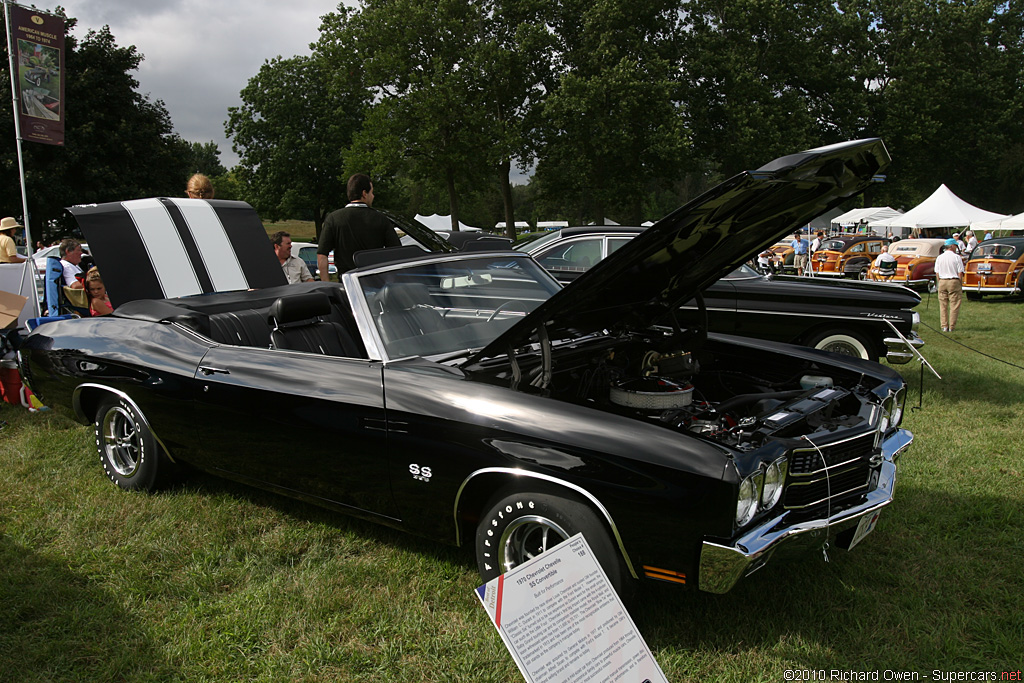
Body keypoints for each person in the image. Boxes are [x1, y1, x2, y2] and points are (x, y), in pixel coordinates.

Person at [317, 173, 400, 277]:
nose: (373, 196)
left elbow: (322, 255)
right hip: (375, 282)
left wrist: (327, 285)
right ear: (364, 193)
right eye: (372, 192)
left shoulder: (333, 219)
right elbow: (396, 253)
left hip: (346, 282)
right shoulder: (381, 219)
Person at [934, 238, 964, 332]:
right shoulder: (956, 257)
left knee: (943, 305)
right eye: (955, 245)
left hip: (942, 280)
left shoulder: (940, 257)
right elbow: (960, 272)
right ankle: (951, 326)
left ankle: (944, 326)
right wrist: (960, 283)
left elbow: (937, 272)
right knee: (954, 304)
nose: (956, 247)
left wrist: (939, 282)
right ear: (951, 246)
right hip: (953, 280)